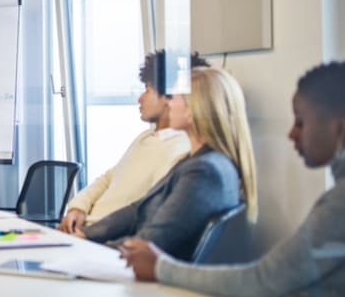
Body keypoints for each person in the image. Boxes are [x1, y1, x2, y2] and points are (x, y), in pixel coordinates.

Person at [121, 62, 345, 297]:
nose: (291, 134)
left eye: (300, 121)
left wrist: (161, 269)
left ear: (340, 128)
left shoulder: (339, 204)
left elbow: (263, 281)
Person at [79, 66, 258, 261]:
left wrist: (92, 249)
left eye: (174, 98)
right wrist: (86, 235)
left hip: (149, 278)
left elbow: (153, 240)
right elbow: (138, 210)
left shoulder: (204, 172)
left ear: (193, 110)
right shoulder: (196, 161)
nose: (168, 104)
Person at [59, 51, 209, 234]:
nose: (140, 98)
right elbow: (110, 177)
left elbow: (144, 211)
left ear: (169, 97)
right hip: (83, 229)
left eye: (147, 89)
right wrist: (78, 207)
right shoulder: (146, 137)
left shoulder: (179, 151)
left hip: (101, 238)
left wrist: (87, 235)